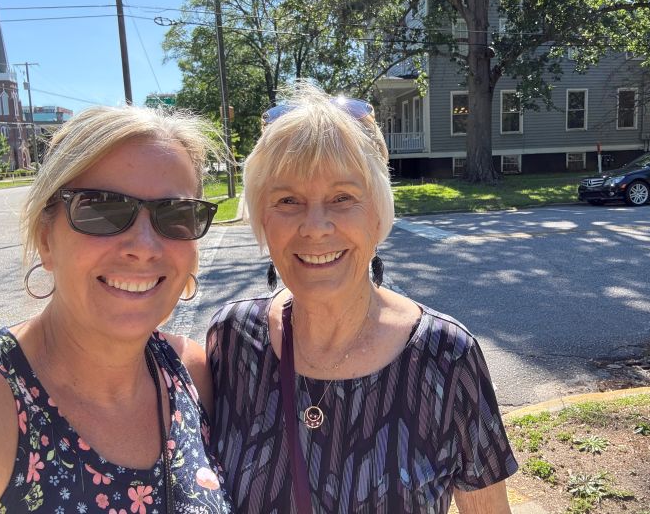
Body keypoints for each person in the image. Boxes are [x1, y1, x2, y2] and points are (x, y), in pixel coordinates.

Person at [207, 83, 517, 513]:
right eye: (287, 200)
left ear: (377, 213)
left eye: (342, 198)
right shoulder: (232, 340)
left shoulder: (446, 356)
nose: (315, 227)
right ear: (262, 216)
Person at [0, 106, 232, 513]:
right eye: (103, 209)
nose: (143, 246)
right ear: (46, 239)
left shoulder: (190, 374)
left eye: (176, 215)